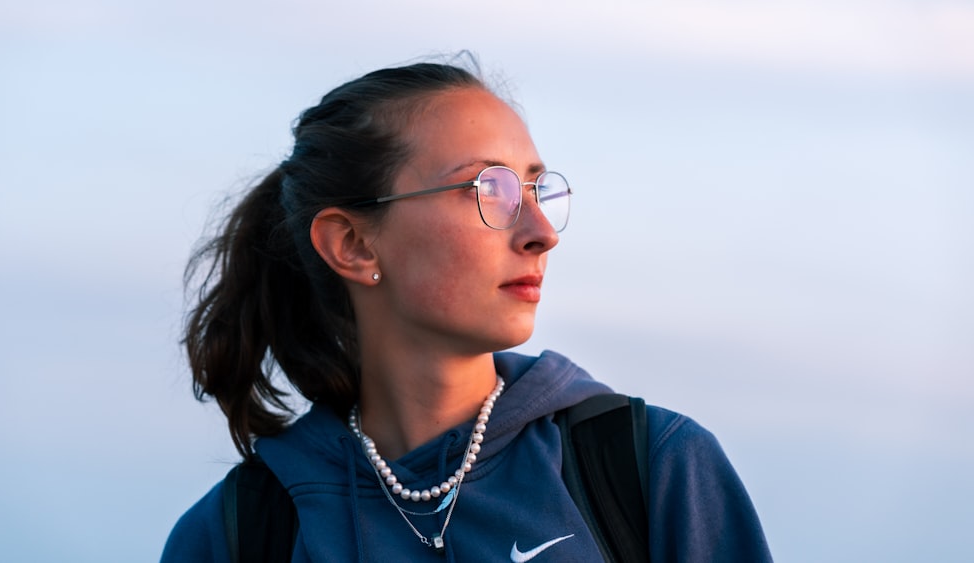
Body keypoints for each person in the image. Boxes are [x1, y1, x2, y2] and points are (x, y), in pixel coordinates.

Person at [161, 57, 772, 562]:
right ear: (352, 243)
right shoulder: (241, 533)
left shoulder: (652, 469)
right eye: (490, 189)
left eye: (536, 188)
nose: (540, 232)